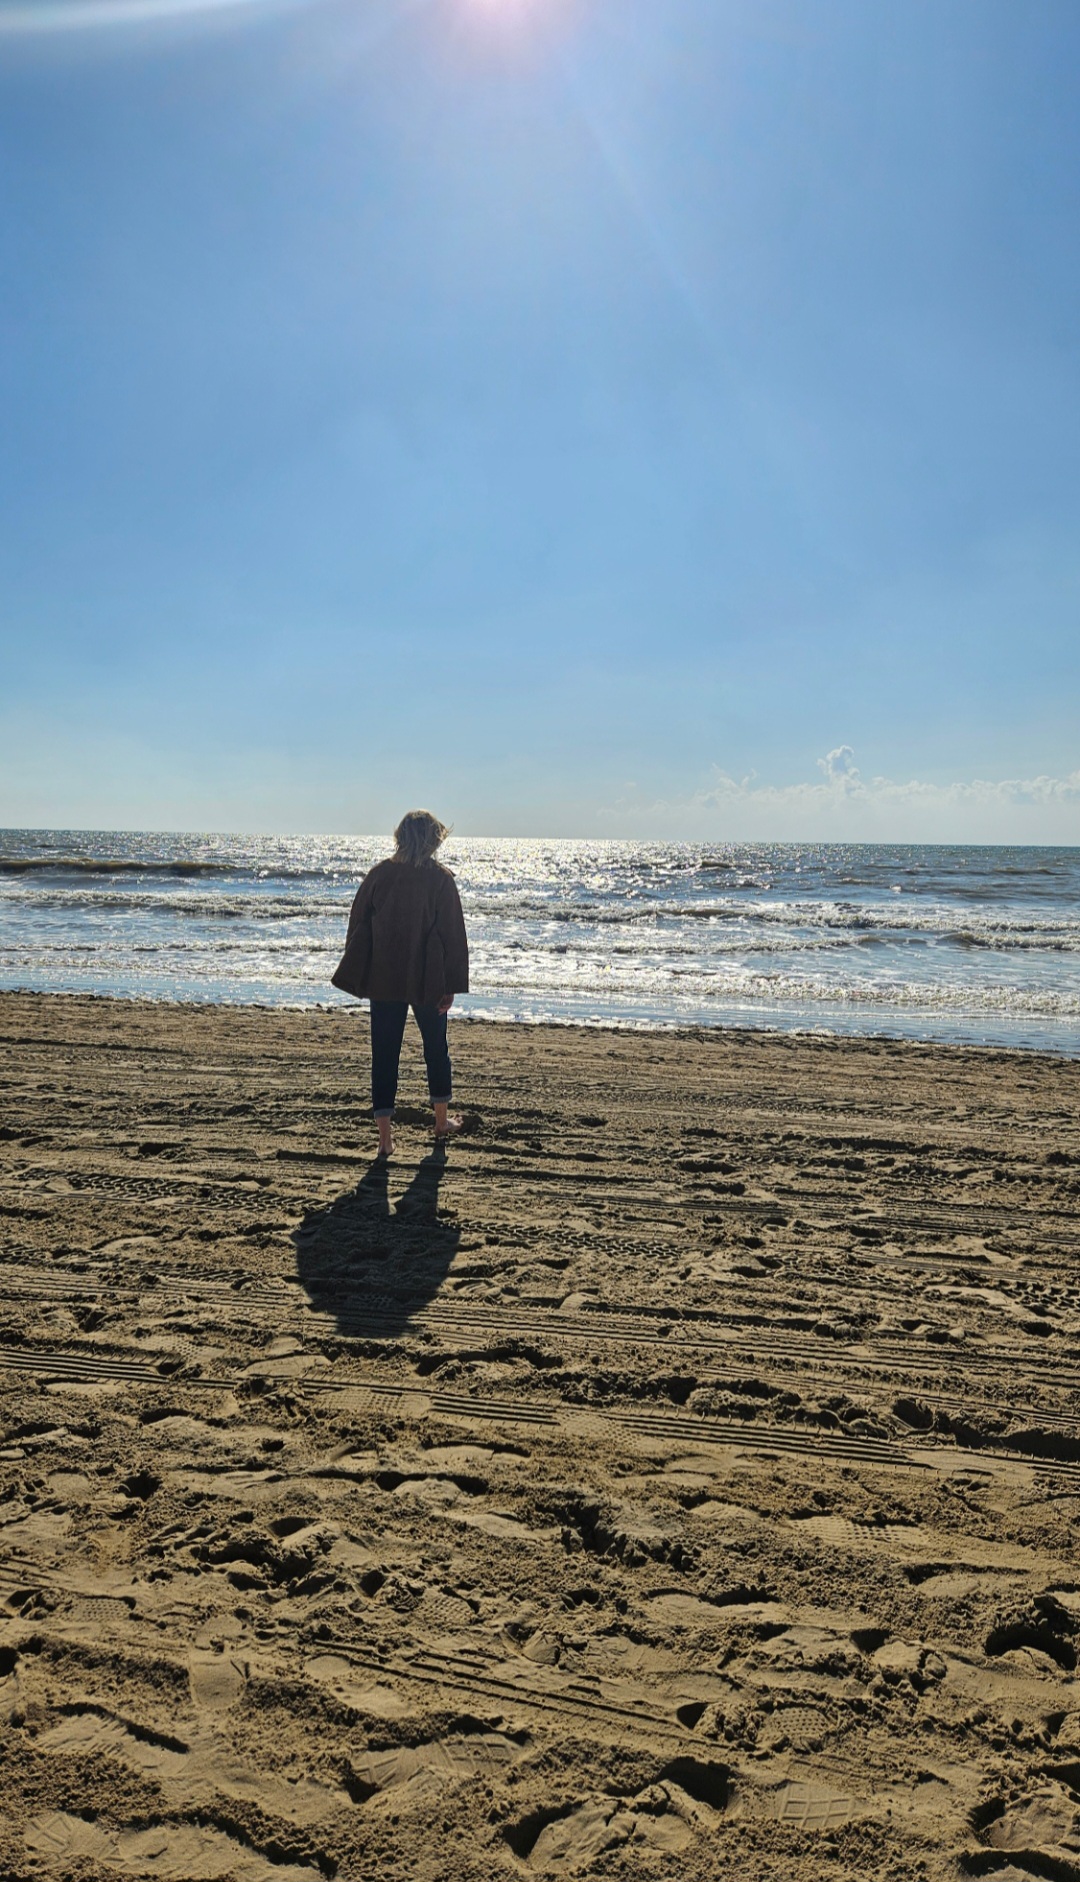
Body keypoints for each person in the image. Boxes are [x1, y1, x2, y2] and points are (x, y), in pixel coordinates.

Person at [331, 810, 469, 1157]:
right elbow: (453, 935)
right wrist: (451, 984)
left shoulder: (379, 874)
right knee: (436, 1049)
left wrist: (360, 969)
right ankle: (441, 1122)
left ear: (400, 837)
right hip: (428, 977)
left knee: (384, 1054)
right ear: (432, 840)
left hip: (384, 976)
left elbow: (358, 924)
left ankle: (385, 1141)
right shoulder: (440, 879)